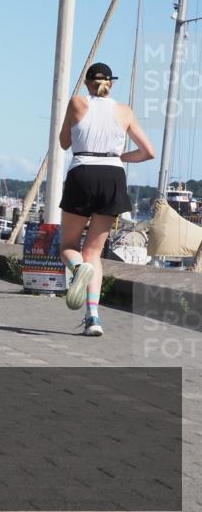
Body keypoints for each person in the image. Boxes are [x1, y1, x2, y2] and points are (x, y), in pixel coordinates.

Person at [58, 62, 154, 336]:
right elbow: (148, 151)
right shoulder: (124, 111)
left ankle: (77, 269)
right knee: (94, 254)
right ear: (111, 84)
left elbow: (65, 142)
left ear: (88, 83)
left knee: (68, 246)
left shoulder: (77, 103)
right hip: (113, 176)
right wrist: (120, 157)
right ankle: (94, 318)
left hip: (82, 172)